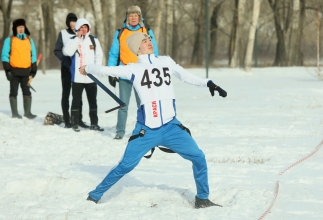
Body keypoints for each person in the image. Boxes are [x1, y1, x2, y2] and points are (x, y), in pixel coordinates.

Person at [80, 32, 227, 208]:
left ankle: (202, 198)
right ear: (137, 48)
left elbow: (185, 76)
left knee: (199, 157)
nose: (149, 42)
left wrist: (208, 83)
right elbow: (104, 70)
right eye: (144, 41)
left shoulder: (165, 61)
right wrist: (87, 67)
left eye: (149, 39)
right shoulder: (132, 68)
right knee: (125, 166)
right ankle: (94, 195)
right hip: (147, 131)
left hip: (172, 127)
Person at [107, 5, 159, 140]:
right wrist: (111, 72)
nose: (133, 18)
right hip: (125, 72)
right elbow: (114, 53)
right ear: (127, 18)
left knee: (142, 104)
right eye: (131, 15)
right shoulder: (120, 32)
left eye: (136, 15)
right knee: (123, 105)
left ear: (140, 17)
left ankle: (144, 129)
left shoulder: (146, 31)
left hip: (142, 74)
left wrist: (154, 69)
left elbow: (154, 51)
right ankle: (120, 132)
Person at [62, 18, 104, 132]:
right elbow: (68, 52)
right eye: (81, 28)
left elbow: (99, 55)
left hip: (91, 77)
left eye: (85, 27)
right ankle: (75, 122)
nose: (83, 30)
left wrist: (96, 69)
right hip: (77, 76)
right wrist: (77, 38)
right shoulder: (73, 40)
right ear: (77, 29)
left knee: (93, 101)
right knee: (76, 100)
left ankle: (94, 123)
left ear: (88, 28)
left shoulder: (93, 40)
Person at [54, 13, 88, 128]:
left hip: (79, 69)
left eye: (74, 21)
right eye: (71, 22)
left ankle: (79, 119)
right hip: (67, 68)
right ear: (68, 23)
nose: (73, 24)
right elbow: (57, 50)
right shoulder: (63, 34)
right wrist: (65, 61)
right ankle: (67, 120)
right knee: (66, 94)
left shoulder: (81, 33)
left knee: (78, 95)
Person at [1, 18, 37, 119]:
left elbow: (33, 54)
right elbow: (4, 55)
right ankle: (15, 113)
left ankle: (27, 112)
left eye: (22, 27)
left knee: (27, 92)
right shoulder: (10, 40)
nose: (21, 29)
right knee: (13, 92)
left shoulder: (29, 40)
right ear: (15, 28)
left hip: (26, 71)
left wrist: (34, 67)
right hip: (14, 71)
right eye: (19, 27)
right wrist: (7, 70)